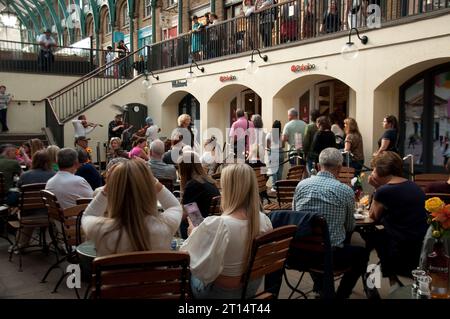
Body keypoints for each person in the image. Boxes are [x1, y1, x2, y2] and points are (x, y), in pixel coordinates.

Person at [180, 164, 273, 298]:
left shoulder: (220, 225)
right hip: (251, 288)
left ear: (229, 190)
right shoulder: (264, 220)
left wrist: (192, 233)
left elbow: (191, 259)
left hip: (220, 293)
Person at [292, 147, 371, 299]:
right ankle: (341, 295)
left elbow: (297, 217)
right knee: (362, 254)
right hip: (331, 256)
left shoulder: (301, 185)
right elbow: (349, 227)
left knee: (323, 244)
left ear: (317, 165)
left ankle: (322, 289)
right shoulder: (345, 190)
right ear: (340, 168)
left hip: (302, 253)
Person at [82, 160, 183, 256]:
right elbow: (175, 206)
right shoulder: (165, 225)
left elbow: (88, 215)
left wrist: (109, 185)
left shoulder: (100, 230)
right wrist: (151, 180)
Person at [366, 151, 427, 291]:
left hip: (399, 246)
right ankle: (390, 280)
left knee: (368, 237)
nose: (373, 173)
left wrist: (376, 189)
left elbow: (372, 216)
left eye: (374, 169)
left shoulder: (385, 191)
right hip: (418, 243)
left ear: (381, 171)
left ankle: (377, 280)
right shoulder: (413, 185)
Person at [178, 151, 220, 238]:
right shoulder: (209, 181)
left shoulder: (193, 185)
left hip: (200, 230)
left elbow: (192, 217)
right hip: (212, 226)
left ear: (183, 170)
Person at [266, 120, 284, 190]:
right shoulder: (281, 135)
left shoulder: (269, 135)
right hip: (281, 153)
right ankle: (279, 186)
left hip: (273, 152)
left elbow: (268, 146)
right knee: (280, 170)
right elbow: (283, 145)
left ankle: (274, 187)